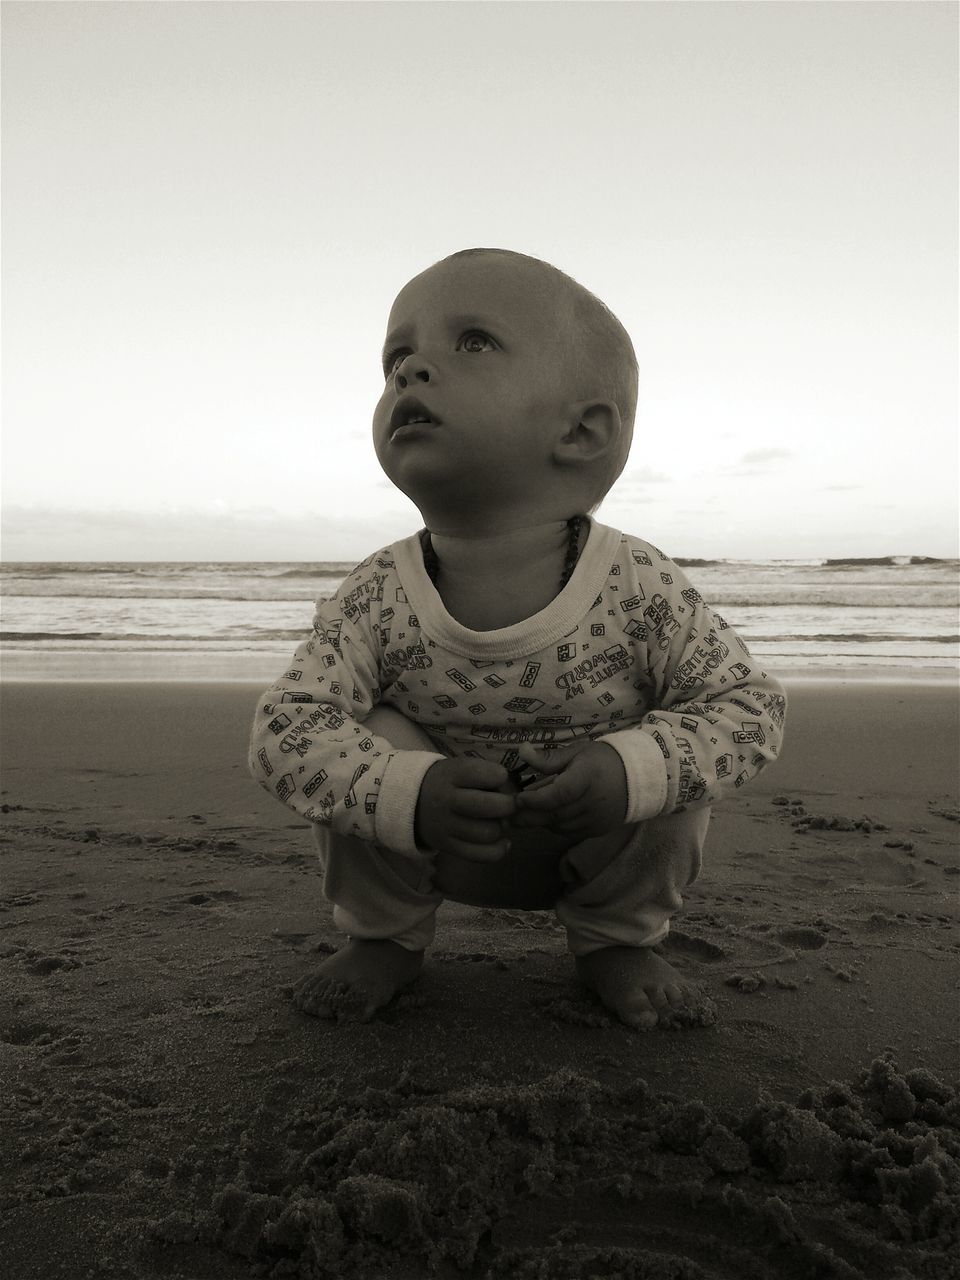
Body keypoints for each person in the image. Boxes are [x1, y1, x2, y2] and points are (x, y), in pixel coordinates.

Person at [249, 247, 787, 1029]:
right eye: (398, 355)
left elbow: (749, 709)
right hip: (432, 836)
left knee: (673, 755)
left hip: (594, 836)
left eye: (472, 343)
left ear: (583, 430)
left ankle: (616, 939)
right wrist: (411, 791)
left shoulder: (639, 584)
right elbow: (285, 730)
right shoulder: (375, 593)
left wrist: (627, 768)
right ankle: (385, 937)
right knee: (356, 731)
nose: (410, 371)